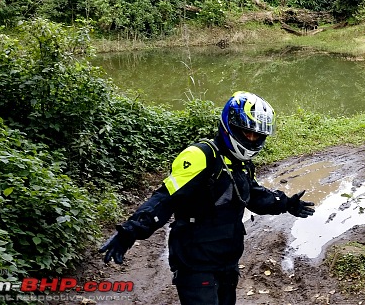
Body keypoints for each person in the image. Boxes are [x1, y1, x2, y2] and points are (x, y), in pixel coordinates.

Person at [99, 91, 315, 305]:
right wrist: (131, 230)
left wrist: (285, 203)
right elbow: (165, 198)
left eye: (256, 135)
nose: (251, 139)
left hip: (227, 259)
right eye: (246, 133)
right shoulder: (201, 156)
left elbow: (253, 196)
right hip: (195, 262)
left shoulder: (242, 165)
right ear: (230, 126)